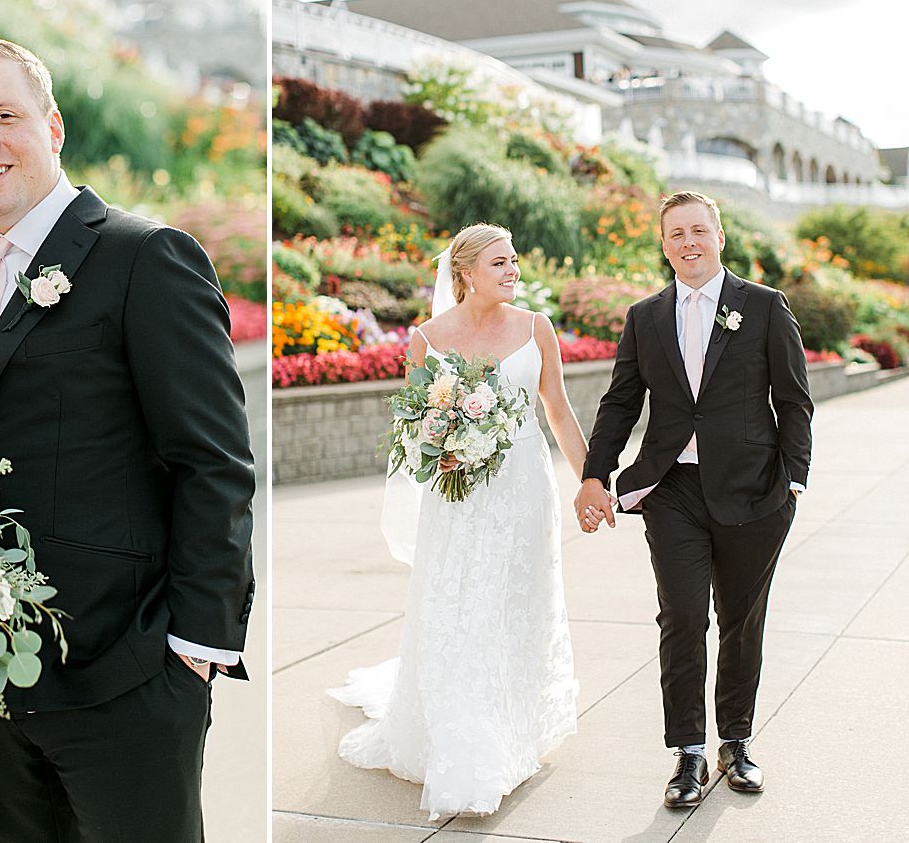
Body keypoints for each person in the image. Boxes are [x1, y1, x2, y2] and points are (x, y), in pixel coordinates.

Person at [0, 36, 256, 842]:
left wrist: (193, 649)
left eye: (5, 115)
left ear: (54, 126)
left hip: (128, 679)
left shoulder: (146, 258)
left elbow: (213, 461)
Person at [330, 222, 584, 818]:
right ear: (466, 273)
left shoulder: (535, 328)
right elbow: (416, 429)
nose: (513, 270)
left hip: (523, 493)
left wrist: (591, 482)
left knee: (516, 605)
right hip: (457, 498)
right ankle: (464, 745)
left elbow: (560, 413)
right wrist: (448, 440)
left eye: (514, 260)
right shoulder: (427, 339)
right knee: (458, 608)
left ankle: (511, 727)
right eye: (500, 263)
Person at [574, 190, 812, 809]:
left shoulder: (763, 307)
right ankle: (687, 754)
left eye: (698, 231)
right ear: (663, 245)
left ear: (719, 236)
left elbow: (792, 399)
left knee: (741, 619)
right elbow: (621, 402)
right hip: (674, 490)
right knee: (682, 616)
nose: (688, 243)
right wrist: (594, 475)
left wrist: (794, 479)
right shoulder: (645, 316)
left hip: (755, 492)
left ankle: (736, 741)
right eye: (676, 234)